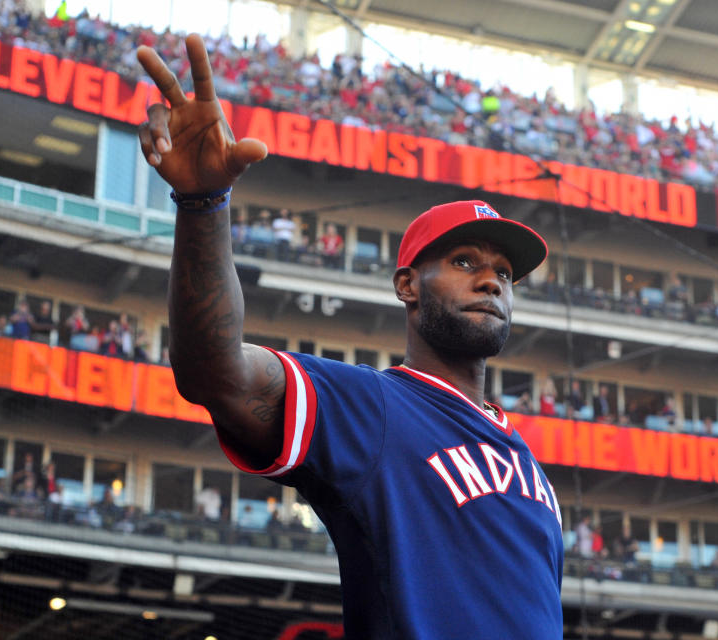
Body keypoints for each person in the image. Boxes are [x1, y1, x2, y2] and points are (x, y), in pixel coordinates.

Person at [136, 35, 562, 639]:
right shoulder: (374, 407)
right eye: (465, 263)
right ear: (408, 286)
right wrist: (204, 203)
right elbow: (215, 372)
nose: (491, 282)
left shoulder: (526, 460)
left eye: (504, 273)